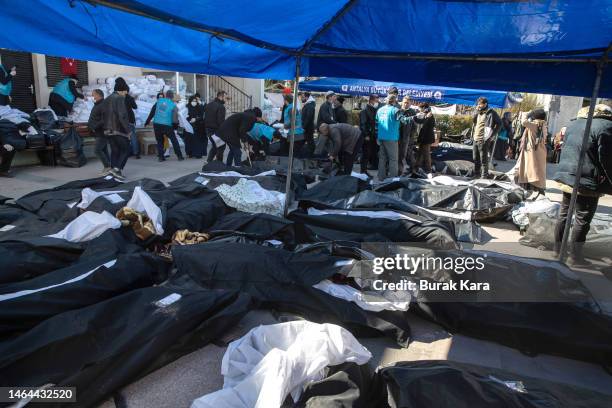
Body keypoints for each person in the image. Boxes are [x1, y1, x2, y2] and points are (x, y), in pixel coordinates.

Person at [553, 104, 612, 266]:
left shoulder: (575, 123)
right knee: (582, 219)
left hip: (568, 177)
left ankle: (558, 251)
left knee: (564, 215)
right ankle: (575, 257)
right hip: (588, 181)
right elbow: (607, 159)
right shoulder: (607, 127)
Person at [101, 79, 131, 180]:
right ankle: (117, 170)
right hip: (118, 130)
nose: (126, 93)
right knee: (126, 150)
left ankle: (113, 172)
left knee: (115, 151)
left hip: (107, 130)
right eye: (125, 91)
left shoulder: (107, 98)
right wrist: (128, 131)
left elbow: (102, 114)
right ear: (122, 90)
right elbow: (122, 116)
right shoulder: (119, 98)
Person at [515, 108, 548, 199]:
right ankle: (538, 192)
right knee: (535, 172)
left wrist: (527, 113)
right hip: (539, 152)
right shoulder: (543, 125)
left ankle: (533, 193)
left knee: (530, 173)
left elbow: (523, 122)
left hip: (532, 152)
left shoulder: (535, 124)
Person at [471, 97, 501, 178]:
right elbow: (473, 120)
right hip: (475, 138)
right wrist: (476, 111)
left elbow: (499, 123)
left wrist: (492, 134)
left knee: (483, 159)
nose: (478, 105)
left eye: (480, 104)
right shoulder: (478, 112)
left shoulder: (491, 113)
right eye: (478, 104)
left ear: (485, 104)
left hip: (484, 139)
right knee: (475, 157)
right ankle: (476, 174)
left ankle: (484, 176)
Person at [150, 90, 184, 162]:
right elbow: (175, 119)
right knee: (174, 140)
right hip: (167, 125)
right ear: (172, 97)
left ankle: (161, 157)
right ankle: (179, 156)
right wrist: (176, 125)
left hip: (157, 124)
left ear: (166, 95)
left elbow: (155, 110)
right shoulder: (173, 105)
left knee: (159, 141)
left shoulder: (159, 101)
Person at [376, 94, 402, 180]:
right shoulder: (396, 110)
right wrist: (415, 117)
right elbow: (404, 120)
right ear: (394, 101)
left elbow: (376, 124)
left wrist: (377, 136)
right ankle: (392, 179)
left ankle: (381, 177)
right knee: (393, 159)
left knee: (382, 158)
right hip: (391, 138)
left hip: (381, 137)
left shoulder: (379, 110)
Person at [114, 78, 140, 160]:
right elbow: (135, 107)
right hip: (130, 119)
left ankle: (123, 153)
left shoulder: (115, 98)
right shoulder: (129, 97)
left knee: (121, 137)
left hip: (120, 120)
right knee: (133, 136)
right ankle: (136, 153)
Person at [88, 89, 111, 175]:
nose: (92, 96)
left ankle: (107, 166)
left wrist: (95, 126)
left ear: (98, 95)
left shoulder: (103, 105)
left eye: (93, 94)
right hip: (98, 131)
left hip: (102, 132)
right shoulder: (98, 104)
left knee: (97, 150)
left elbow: (105, 119)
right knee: (104, 150)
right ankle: (109, 167)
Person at [359, 94, 379, 173]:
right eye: (376, 100)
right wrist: (366, 134)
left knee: (371, 153)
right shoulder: (365, 110)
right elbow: (363, 124)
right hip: (368, 136)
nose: (377, 102)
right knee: (365, 154)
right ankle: (363, 171)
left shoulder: (374, 110)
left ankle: (367, 169)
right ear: (371, 100)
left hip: (373, 135)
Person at [205, 91, 227, 162]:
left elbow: (204, 117)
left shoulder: (209, 105)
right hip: (216, 131)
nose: (226, 99)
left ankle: (208, 162)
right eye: (225, 97)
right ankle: (218, 164)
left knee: (215, 146)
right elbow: (221, 121)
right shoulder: (221, 107)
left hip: (209, 130)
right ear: (221, 97)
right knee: (221, 146)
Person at [398, 96, 417, 175]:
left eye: (407, 103)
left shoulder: (412, 112)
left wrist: (411, 137)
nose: (405, 104)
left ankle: (413, 170)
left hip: (408, 137)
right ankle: (399, 171)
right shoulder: (398, 111)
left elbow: (414, 126)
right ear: (402, 102)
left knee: (407, 154)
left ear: (410, 103)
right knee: (399, 155)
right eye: (404, 102)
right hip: (398, 137)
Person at [186, 94, 207, 158]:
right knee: (190, 140)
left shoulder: (199, 107)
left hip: (198, 126)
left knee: (198, 141)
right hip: (189, 126)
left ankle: (198, 154)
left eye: (195, 101)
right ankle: (190, 153)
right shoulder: (187, 107)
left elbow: (202, 116)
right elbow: (185, 116)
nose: (194, 102)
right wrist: (189, 119)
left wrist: (196, 119)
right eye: (193, 101)